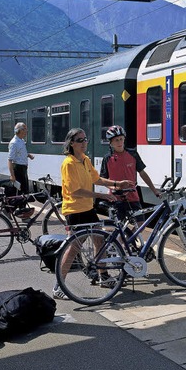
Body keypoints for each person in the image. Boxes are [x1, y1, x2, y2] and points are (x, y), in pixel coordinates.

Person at [53, 127, 134, 300]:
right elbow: (75, 191)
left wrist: (118, 184)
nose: (84, 143)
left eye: (85, 139)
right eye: (80, 140)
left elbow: (96, 179)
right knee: (74, 247)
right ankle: (58, 286)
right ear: (71, 143)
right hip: (74, 210)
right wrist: (101, 195)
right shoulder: (68, 163)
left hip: (87, 208)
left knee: (99, 239)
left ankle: (103, 276)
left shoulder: (84, 159)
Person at [100, 125, 161, 219]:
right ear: (111, 143)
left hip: (132, 196)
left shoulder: (133, 154)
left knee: (140, 224)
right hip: (116, 198)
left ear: (124, 139)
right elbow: (103, 179)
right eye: (116, 140)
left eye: (121, 139)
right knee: (117, 228)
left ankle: (130, 235)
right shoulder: (107, 158)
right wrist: (114, 187)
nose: (119, 142)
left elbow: (143, 173)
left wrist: (154, 190)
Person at [7, 122, 34, 194]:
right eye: (25, 129)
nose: (26, 131)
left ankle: (23, 205)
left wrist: (28, 155)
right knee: (19, 192)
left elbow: (19, 153)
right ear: (19, 130)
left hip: (23, 169)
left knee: (24, 191)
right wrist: (12, 175)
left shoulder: (21, 141)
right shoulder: (14, 143)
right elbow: (10, 160)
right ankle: (19, 205)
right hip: (18, 169)